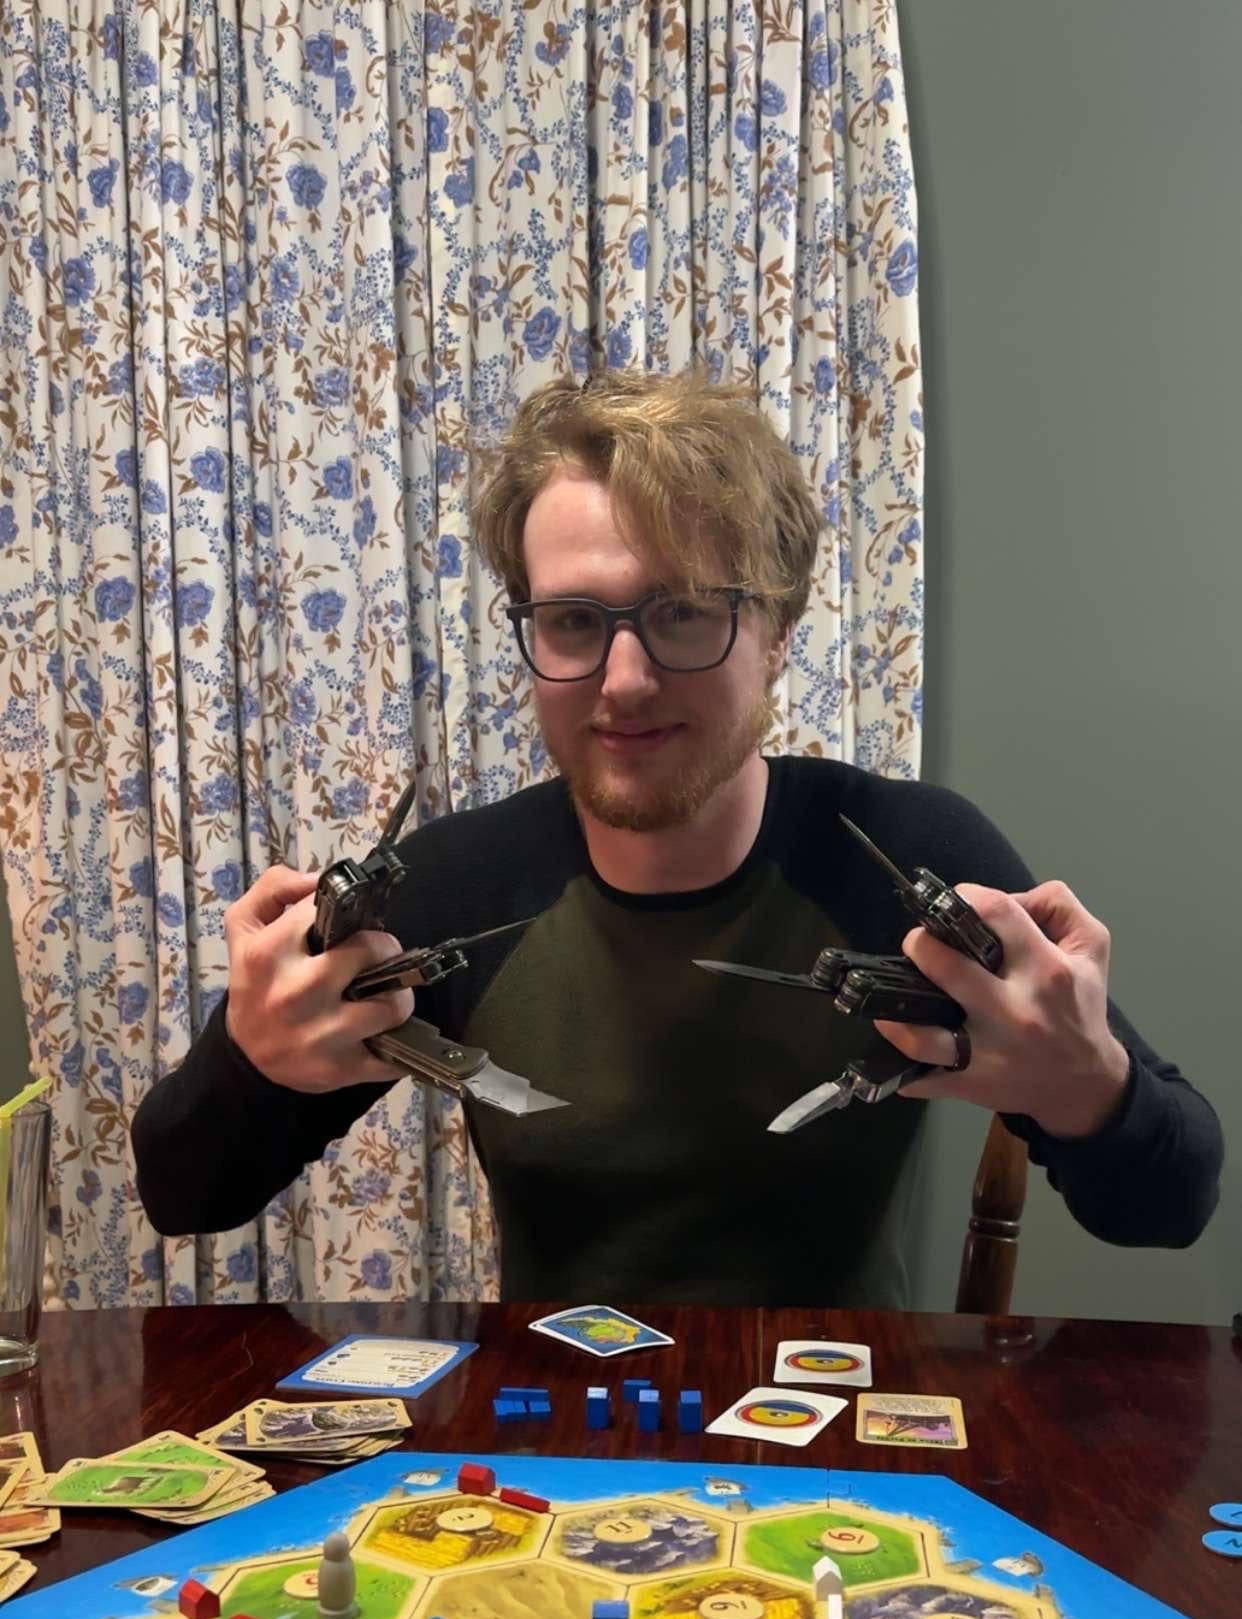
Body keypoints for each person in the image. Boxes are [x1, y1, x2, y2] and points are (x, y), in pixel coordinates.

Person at [131, 369, 1222, 1306]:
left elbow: (1173, 1204)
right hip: (551, 1449)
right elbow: (181, 1194)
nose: (624, 680)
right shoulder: (453, 886)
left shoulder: (908, 851)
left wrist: (1090, 1088)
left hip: (844, 1449)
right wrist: (249, 1061)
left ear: (779, 631)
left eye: (683, 612)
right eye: (573, 622)